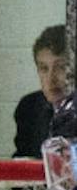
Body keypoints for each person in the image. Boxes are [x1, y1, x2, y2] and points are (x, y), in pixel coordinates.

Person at [13, 24, 68, 159]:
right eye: (44, 68)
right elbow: (23, 159)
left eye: (61, 67)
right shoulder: (29, 107)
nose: (51, 78)